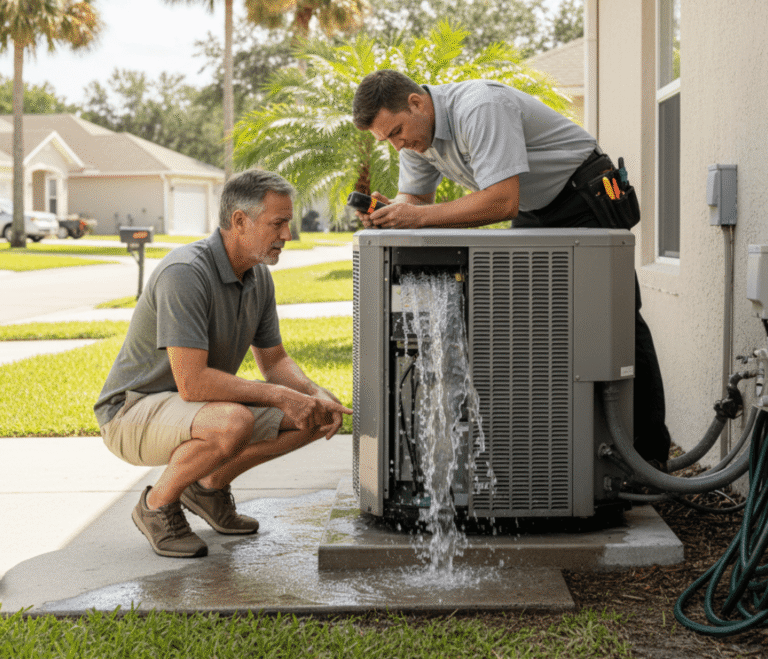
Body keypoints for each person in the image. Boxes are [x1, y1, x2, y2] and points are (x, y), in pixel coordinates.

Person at [351, 69, 670, 464]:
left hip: (581, 196)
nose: (398, 146)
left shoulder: (480, 107)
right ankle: (564, 444)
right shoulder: (419, 141)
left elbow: (502, 201)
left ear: (416, 103)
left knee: (615, 321)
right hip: (537, 208)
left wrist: (415, 217)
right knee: (529, 326)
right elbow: (414, 201)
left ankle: (650, 454)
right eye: (387, 141)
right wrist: (392, 215)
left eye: (396, 132)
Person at [95, 169, 352, 558]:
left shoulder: (257, 277)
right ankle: (156, 505)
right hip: (131, 413)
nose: (287, 235)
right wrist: (282, 396)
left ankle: (209, 488)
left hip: (197, 410)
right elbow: (193, 384)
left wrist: (314, 395)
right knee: (234, 422)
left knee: (315, 415)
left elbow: (275, 360)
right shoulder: (185, 273)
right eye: (278, 223)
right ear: (239, 221)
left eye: (289, 223)